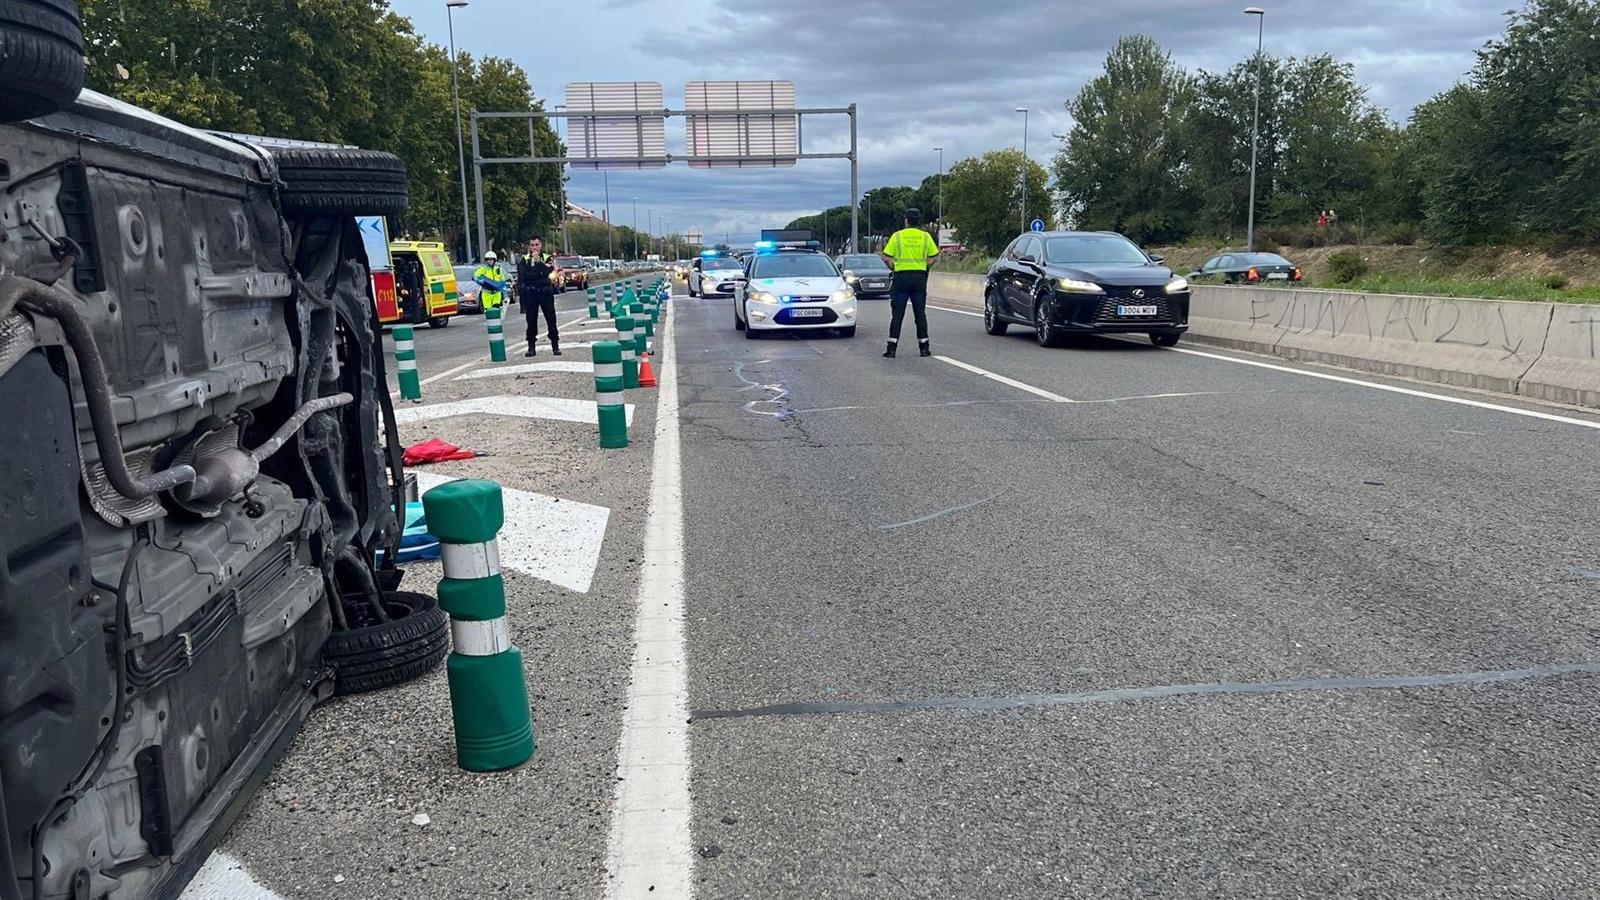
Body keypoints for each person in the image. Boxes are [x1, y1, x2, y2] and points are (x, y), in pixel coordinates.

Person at [880, 208, 939, 357]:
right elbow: (934, 256)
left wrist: (894, 267)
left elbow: (886, 257)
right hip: (919, 278)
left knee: (897, 314)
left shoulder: (897, 236)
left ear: (906, 220)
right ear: (919, 221)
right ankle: (924, 348)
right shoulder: (925, 237)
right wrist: (925, 267)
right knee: (920, 314)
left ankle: (891, 349)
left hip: (901, 278)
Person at [517, 235, 559, 356]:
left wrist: (538, 263)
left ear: (541, 245)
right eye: (532, 245)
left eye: (536, 245)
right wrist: (539, 272)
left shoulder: (547, 258)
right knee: (531, 321)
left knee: (551, 319)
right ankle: (531, 347)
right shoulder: (524, 260)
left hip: (545, 292)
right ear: (529, 246)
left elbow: (548, 272)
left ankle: (555, 346)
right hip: (531, 293)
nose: (534, 247)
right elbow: (525, 275)